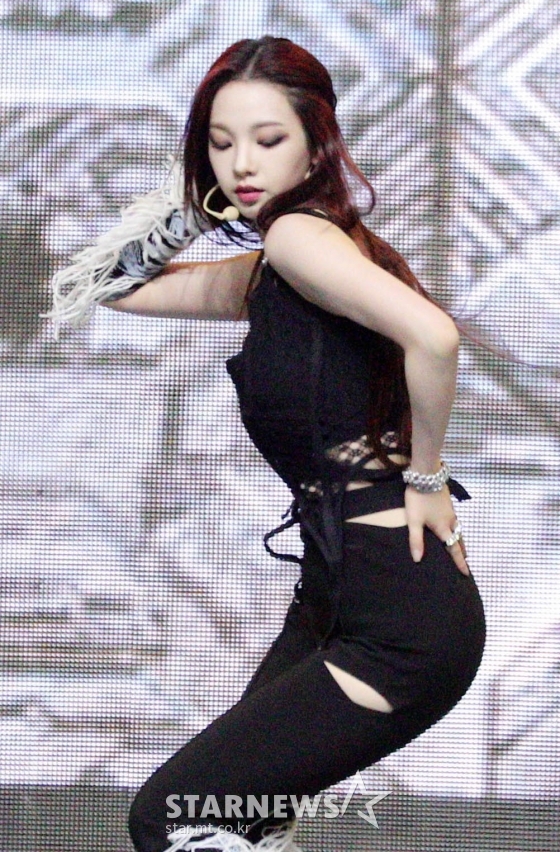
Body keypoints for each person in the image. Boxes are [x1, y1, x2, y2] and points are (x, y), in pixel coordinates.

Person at [47, 36, 485, 852]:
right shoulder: (279, 267)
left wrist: (428, 479)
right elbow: (114, 286)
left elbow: (435, 337)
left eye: (268, 138)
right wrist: (193, 208)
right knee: (239, 822)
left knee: (174, 817)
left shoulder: (298, 242)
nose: (241, 163)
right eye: (220, 144)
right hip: (337, 603)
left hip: (397, 622)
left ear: (317, 147)